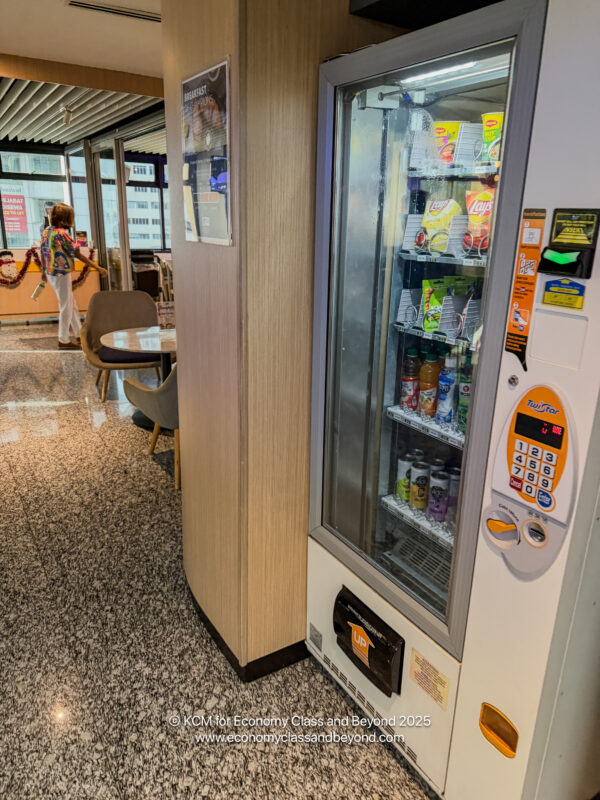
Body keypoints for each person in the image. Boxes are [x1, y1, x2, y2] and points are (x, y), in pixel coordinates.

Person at [40, 203, 107, 350]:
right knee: (66, 306)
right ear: (66, 219)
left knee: (71, 303)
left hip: (50, 272)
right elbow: (77, 254)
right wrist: (97, 267)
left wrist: (43, 272)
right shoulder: (62, 234)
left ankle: (78, 333)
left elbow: (42, 252)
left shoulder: (46, 231)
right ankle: (63, 339)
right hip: (61, 273)